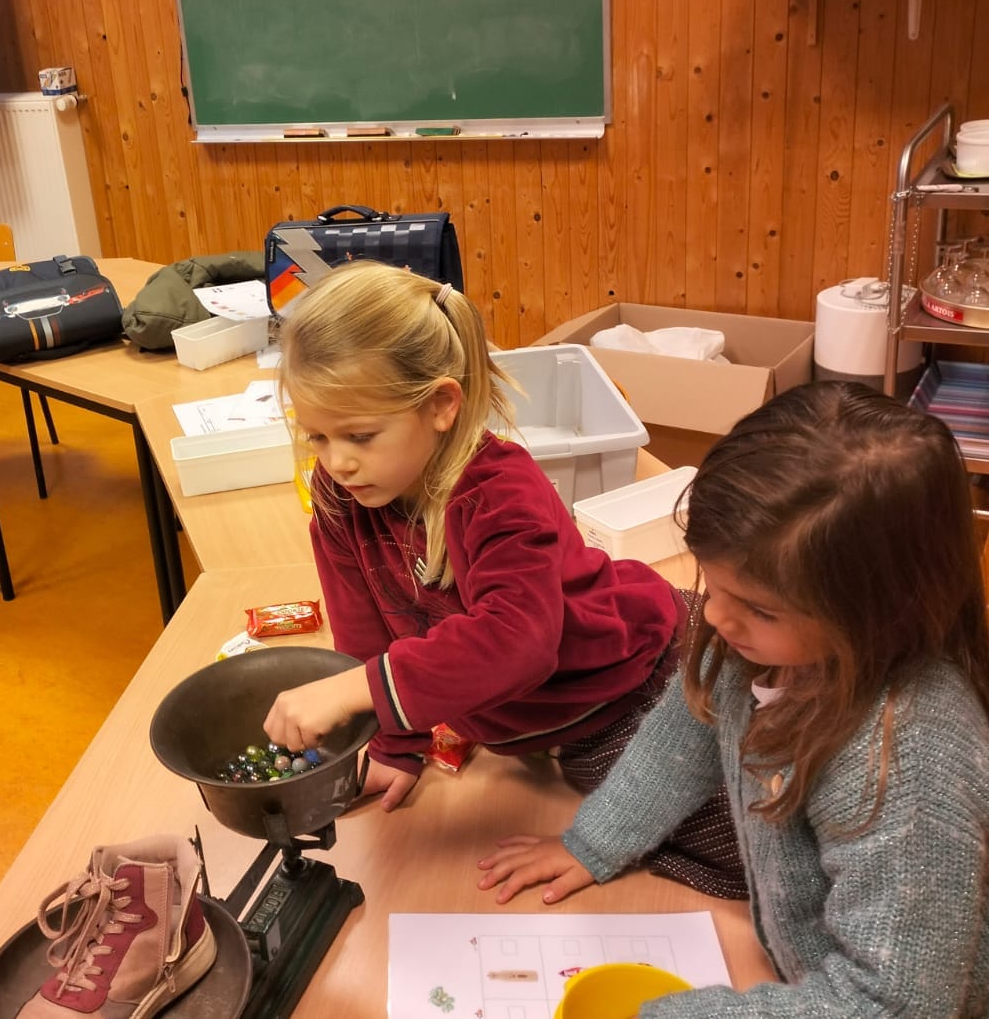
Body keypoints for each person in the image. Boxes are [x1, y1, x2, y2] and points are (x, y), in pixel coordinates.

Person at [476, 381, 989, 1016]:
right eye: (711, 584)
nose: (714, 615)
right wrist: (596, 842)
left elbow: (894, 1003)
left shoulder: (909, 764)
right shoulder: (767, 647)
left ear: (881, 610)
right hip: (807, 973)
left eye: (757, 608)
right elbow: (683, 736)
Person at [262, 261, 746, 898]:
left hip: (627, 686)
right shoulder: (341, 497)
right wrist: (393, 745)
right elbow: (365, 631)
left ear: (441, 405)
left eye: (360, 435)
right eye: (318, 437)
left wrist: (361, 689)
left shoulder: (499, 490)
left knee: (746, 844)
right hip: (538, 713)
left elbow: (517, 640)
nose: (338, 462)